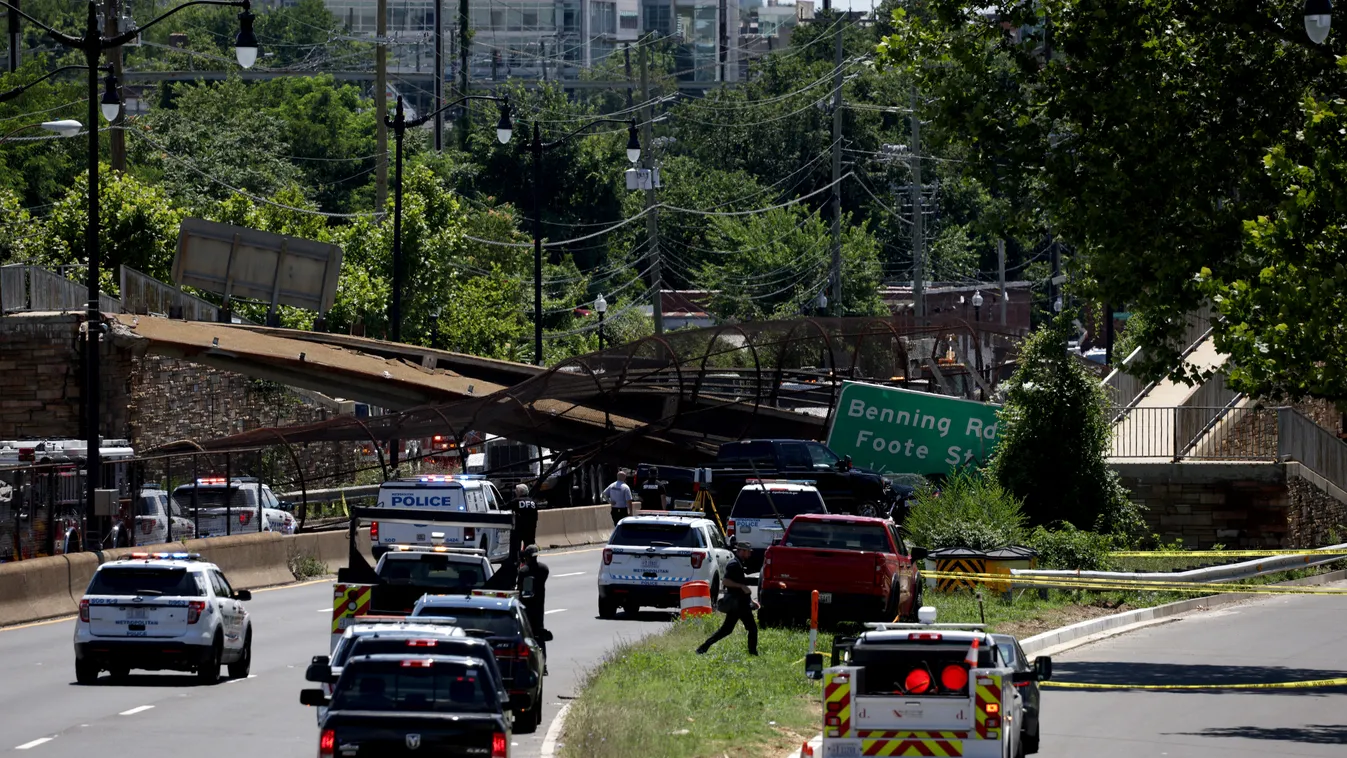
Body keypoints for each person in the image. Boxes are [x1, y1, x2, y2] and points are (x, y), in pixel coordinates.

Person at [696, 537, 759, 656]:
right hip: (737, 603)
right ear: (742, 551)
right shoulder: (734, 564)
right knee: (750, 629)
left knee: (727, 630)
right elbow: (725, 581)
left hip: (741, 603)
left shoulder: (739, 564)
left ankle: (702, 648)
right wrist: (741, 586)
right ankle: (753, 653)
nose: (749, 554)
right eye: (748, 551)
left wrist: (750, 601)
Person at [517, 545, 551, 673]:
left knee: (526, 636)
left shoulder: (523, 571)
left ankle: (528, 663)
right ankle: (543, 664)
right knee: (539, 636)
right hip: (539, 608)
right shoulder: (543, 569)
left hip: (526, 609)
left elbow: (519, 586)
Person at [508, 483, 539, 553]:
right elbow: (536, 516)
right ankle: (529, 561)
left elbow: (503, 508)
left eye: (516, 490)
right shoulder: (533, 502)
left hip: (519, 529)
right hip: (531, 529)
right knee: (529, 548)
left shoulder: (516, 501)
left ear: (520, 492)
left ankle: (517, 561)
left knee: (515, 548)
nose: (515, 492)